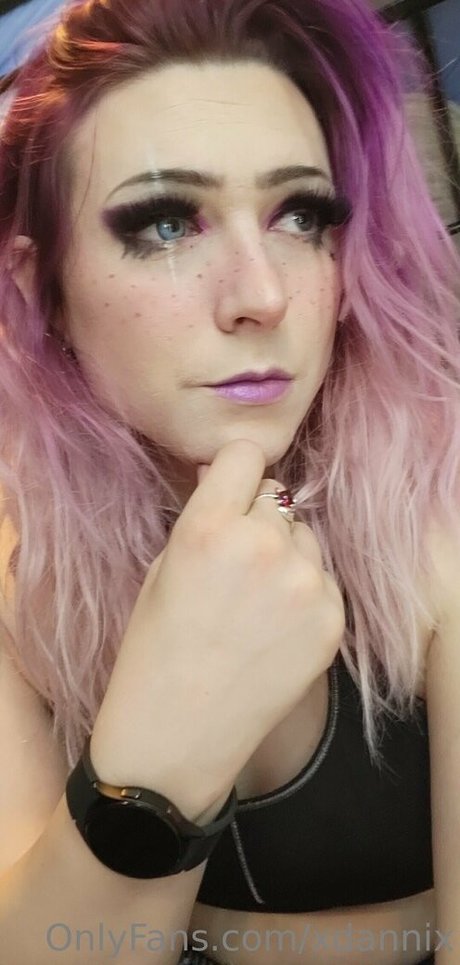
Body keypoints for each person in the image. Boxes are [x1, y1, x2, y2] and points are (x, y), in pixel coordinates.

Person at [0, 0, 459, 962]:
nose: (262, 294)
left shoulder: (441, 499)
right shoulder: (16, 553)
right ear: (42, 287)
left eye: (301, 215)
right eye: (167, 223)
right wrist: (167, 741)